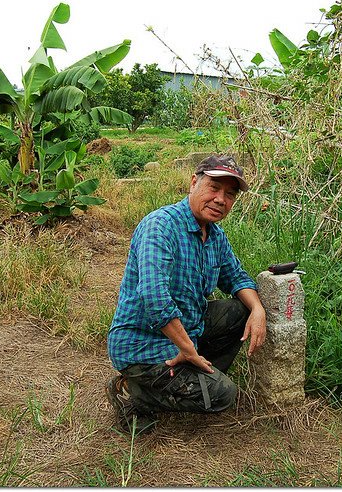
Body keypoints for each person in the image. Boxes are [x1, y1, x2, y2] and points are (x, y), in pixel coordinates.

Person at [106, 154, 267, 434]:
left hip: (186, 329)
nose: (220, 200)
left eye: (229, 195)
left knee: (238, 311)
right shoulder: (161, 226)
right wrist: (187, 348)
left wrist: (258, 310)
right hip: (142, 343)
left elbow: (236, 277)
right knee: (223, 395)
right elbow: (154, 297)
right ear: (193, 183)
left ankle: (191, 375)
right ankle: (134, 393)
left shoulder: (215, 235)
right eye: (214, 188)